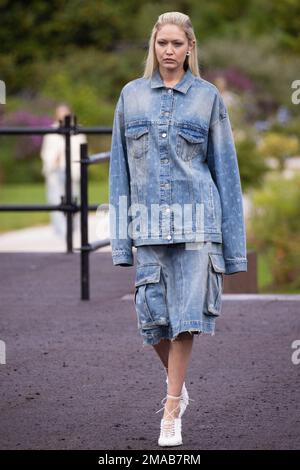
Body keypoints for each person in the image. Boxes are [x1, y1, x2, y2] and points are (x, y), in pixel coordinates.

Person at [109, 12, 247, 447]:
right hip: (147, 226)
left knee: (185, 321)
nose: (169, 51)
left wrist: (232, 249)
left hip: (196, 226)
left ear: (190, 48)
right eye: (162, 43)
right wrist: (120, 240)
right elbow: (119, 172)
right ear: (153, 46)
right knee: (152, 321)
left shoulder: (208, 98)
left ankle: (171, 410)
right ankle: (179, 386)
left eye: (177, 44)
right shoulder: (131, 97)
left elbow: (226, 172)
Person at [40, 103, 87, 238]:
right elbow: (46, 152)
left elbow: (80, 150)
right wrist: (53, 160)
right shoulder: (52, 132)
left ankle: (74, 229)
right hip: (56, 170)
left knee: (74, 198)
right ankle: (61, 231)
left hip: (72, 170)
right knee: (55, 199)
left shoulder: (77, 131)